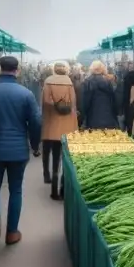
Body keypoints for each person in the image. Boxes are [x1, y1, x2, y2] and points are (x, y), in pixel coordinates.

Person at [0, 56, 41, 245]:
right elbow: (36, 122)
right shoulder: (26, 94)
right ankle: (12, 232)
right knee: (16, 190)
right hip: (18, 150)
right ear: (17, 70)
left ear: (0, 68)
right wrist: (35, 145)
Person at [40, 61, 78, 200]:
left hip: (52, 124)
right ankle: (63, 188)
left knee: (55, 158)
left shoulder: (48, 82)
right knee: (66, 159)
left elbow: (45, 102)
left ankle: (54, 190)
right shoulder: (69, 83)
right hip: (67, 126)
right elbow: (73, 104)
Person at [80, 60, 119, 129]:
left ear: (91, 69)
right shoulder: (108, 82)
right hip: (109, 118)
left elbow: (84, 103)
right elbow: (114, 101)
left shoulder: (87, 82)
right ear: (103, 69)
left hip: (93, 119)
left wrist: (82, 118)